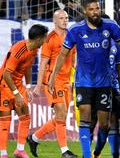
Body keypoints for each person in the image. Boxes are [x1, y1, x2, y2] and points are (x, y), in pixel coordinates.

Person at [47, 0, 120, 158]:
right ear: (85, 11)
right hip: (84, 81)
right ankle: (86, 156)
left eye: (97, 8)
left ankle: (97, 151)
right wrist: (52, 77)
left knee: (104, 124)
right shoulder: (76, 30)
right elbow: (63, 54)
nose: (95, 12)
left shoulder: (110, 26)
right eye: (91, 9)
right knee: (86, 118)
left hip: (104, 83)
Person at [26, 10, 77, 158]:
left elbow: (73, 60)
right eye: (61, 18)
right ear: (55, 21)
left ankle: (34, 138)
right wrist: (38, 85)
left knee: (61, 117)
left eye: (66, 18)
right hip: (52, 81)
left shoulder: (72, 36)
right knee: (60, 113)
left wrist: (78, 75)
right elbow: (42, 63)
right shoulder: (49, 39)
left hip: (66, 81)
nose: (65, 20)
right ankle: (64, 151)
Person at [0, 24, 48, 158]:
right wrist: (16, 94)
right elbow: (6, 74)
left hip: (17, 84)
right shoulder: (19, 49)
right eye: (44, 38)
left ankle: (19, 150)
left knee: (25, 115)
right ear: (38, 39)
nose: (45, 41)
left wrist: (27, 87)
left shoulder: (33, 50)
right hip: (4, 85)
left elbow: (28, 66)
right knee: (5, 119)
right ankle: (3, 154)